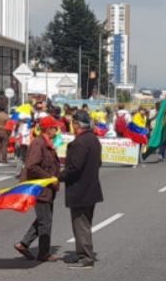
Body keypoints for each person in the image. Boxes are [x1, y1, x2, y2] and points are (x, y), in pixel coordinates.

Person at [60, 110, 102, 270]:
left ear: (77, 124)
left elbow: (74, 168)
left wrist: (59, 176)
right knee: (85, 223)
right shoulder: (93, 140)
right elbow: (97, 163)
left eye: (73, 123)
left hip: (80, 189)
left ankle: (86, 258)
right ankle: (80, 253)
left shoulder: (79, 143)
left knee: (81, 224)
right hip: (91, 187)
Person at [15, 116, 61, 262]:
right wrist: (49, 178)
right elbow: (32, 166)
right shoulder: (38, 143)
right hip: (40, 188)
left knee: (44, 219)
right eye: (55, 127)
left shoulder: (47, 143)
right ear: (48, 128)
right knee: (45, 221)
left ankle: (24, 244)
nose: (57, 130)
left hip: (47, 188)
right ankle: (43, 253)